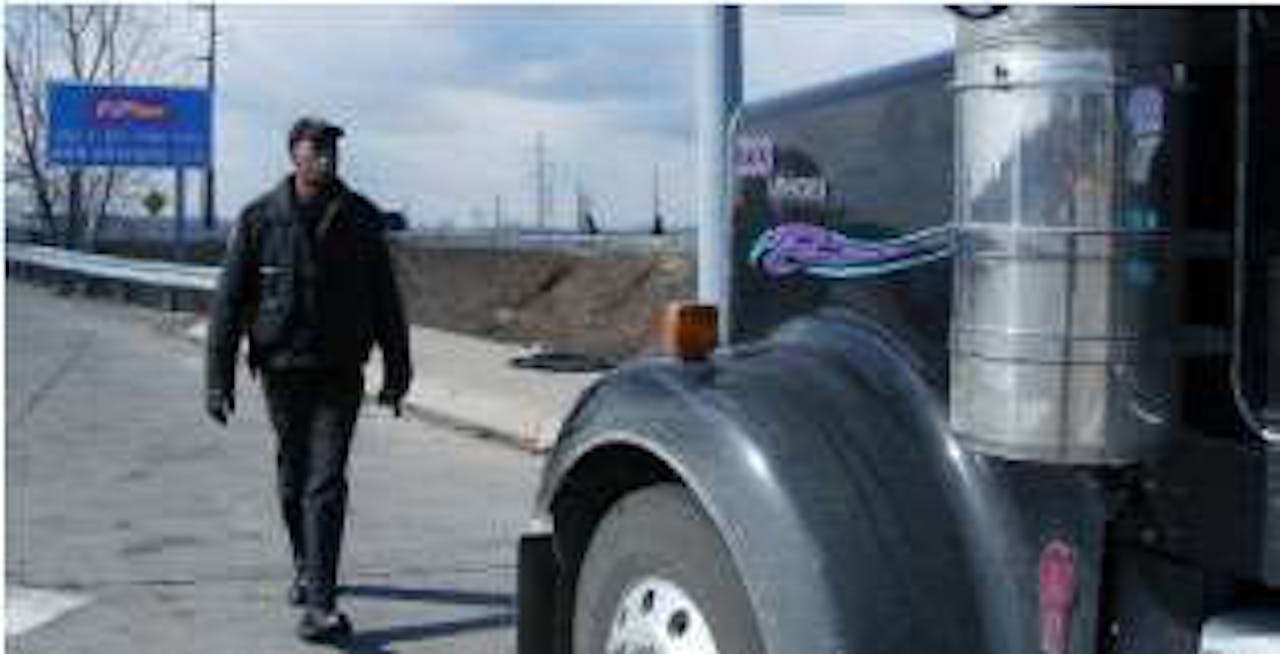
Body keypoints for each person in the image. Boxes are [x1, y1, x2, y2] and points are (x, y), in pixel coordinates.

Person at [204, 116, 412, 644]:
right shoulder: (259, 219)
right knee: (293, 476)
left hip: (340, 372)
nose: (325, 157)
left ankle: (321, 603)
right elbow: (229, 302)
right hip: (282, 369)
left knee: (326, 481)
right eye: (315, 148)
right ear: (293, 154)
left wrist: (397, 368)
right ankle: (305, 563)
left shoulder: (360, 217)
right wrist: (218, 378)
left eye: (331, 149)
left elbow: (386, 299)